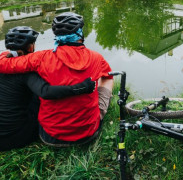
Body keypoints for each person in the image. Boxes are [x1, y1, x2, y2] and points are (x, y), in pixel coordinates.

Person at [0, 12, 114, 147]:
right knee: (107, 79)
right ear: (80, 34)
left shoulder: (40, 58)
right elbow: (108, 75)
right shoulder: (97, 57)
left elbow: (4, 64)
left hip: (50, 136)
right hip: (88, 133)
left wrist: (6, 54)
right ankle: (93, 114)